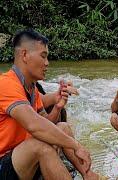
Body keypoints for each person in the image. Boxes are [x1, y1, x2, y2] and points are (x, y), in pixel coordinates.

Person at [0, 29, 99, 179]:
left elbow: (46, 123)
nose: (47, 63)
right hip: (5, 164)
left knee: (63, 127)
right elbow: (34, 125)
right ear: (25, 55)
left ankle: (89, 175)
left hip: (26, 159)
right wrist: (76, 146)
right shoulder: (6, 84)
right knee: (40, 147)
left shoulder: (32, 88)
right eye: (43, 56)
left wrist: (58, 107)